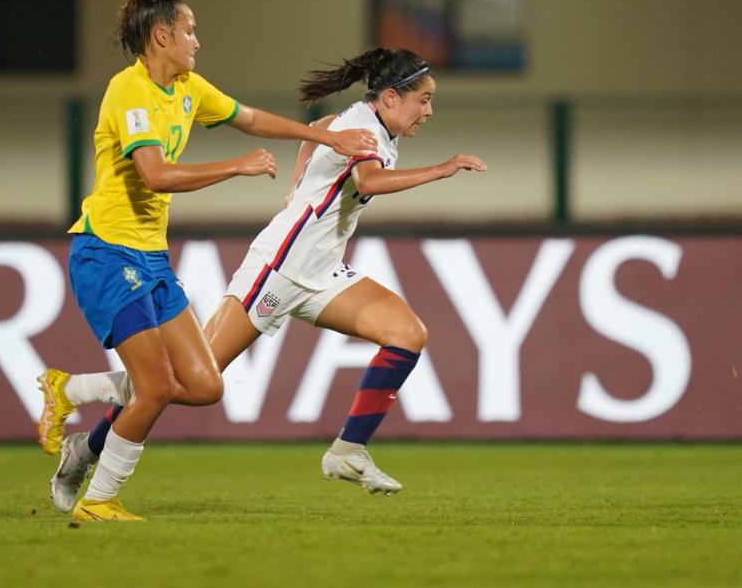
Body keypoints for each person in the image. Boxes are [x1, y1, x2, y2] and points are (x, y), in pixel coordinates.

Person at [39, 46, 486, 510]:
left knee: (407, 333)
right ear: (391, 97)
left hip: (324, 269)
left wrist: (299, 188)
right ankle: (80, 419)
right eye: (425, 99)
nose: (429, 111)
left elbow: (315, 131)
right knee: (190, 381)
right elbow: (369, 183)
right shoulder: (367, 129)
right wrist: (443, 168)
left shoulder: (361, 118)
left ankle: (348, 451)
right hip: (279, 269)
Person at [39, 0, 377, 522]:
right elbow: (155, 174)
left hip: (150, 258)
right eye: (190, 31)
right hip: (106, 252)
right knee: (153, 388)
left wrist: (326, 139)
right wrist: (235, 166)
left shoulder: (189, 87)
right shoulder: (128, 91)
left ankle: (71, 393)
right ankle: (100, 499)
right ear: (162, 35)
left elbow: (249, 117)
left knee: (201, 384)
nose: (197, 41)